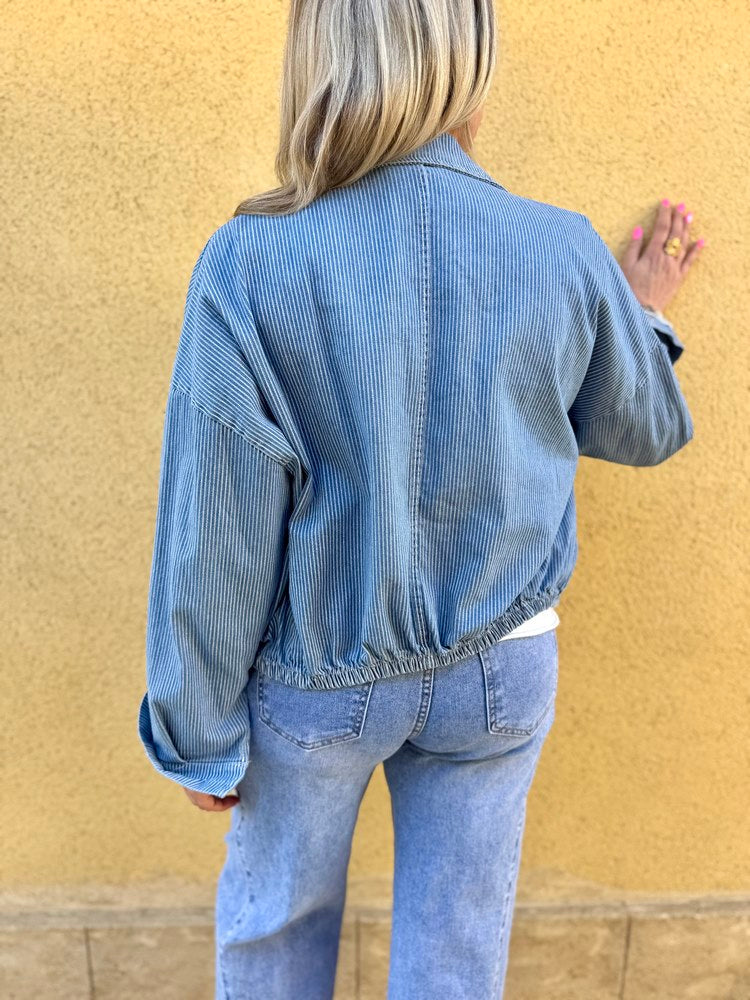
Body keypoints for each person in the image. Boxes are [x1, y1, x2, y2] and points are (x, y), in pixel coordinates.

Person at [136, 1, 701, 997]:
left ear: (320, 61)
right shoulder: (562, 250)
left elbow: (215, 530)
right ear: (466, 62)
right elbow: (644, 427)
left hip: (321, 670)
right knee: (456, 957)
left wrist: (196, 731)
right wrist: (638, 314)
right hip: (502, 666)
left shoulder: (250, 262)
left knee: (275, 936)